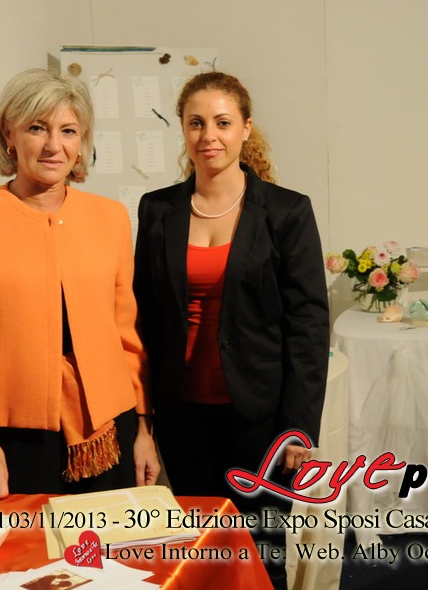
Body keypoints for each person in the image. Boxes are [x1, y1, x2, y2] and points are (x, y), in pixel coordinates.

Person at [133, 72, 329, 589]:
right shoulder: (157, 209)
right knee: (199, 553)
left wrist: (299, 426)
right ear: (182, 129)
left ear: (246, 128)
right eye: (196, 123)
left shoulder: (286, 211)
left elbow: (309, 326)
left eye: (222, 122)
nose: (208, 136)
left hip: (260, 419)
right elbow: (145, 317)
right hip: (182, 414)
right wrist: (144, 421)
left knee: (261, 556)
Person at [0, 68, 159, 501]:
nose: (54, 145)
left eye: (68, 130)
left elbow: (128, 335)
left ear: (82, 140)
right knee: (26, 546)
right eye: (37, 128)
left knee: (111, 545)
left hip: (111, 426)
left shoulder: (110, 217)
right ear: (9, 134)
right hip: (13, 434)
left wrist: (145, 432)